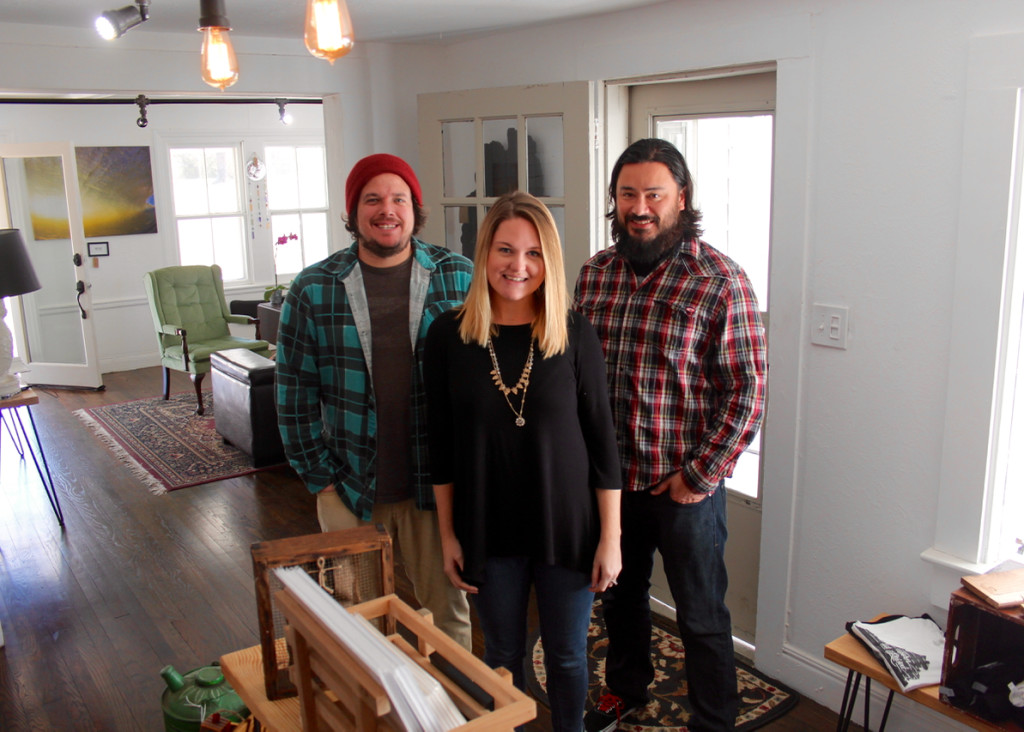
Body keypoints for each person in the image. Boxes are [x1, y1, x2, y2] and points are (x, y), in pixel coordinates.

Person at [573, 138, 767, 732]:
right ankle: (625, 691)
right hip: (611, 485)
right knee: (620, 597)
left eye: (654, 194)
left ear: (682, 198)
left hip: (685, 490)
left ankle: (714, 719)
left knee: (701, 615)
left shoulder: (720, 280)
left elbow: (747, 389)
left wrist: (699, 477)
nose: (640, 207)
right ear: (614, 199)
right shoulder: (594, 275)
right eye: (627, 194)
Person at [424, 191, 623, 732]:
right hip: (486, 527)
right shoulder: (447, 336)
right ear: (485, 253)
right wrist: (448, 535)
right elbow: (439, 445)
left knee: (567, 657)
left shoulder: (574, 334)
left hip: (568, 526)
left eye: (533, 253)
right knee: (502, 657)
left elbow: (602, 443)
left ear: (548, 260)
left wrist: (611, 538)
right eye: (506, 250)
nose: (518, 266)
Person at [275, 152, 474, 650]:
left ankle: (454, 701)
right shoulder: (313, 288)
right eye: (373, 199)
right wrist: (319, 477)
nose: (387, 210)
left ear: (414, 209)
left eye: (399, 199)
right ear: (353, 212)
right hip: (349, 487)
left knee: (448, 615)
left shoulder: (458, 275)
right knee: (354, 622)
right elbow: (293, 391)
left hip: (436, 487)